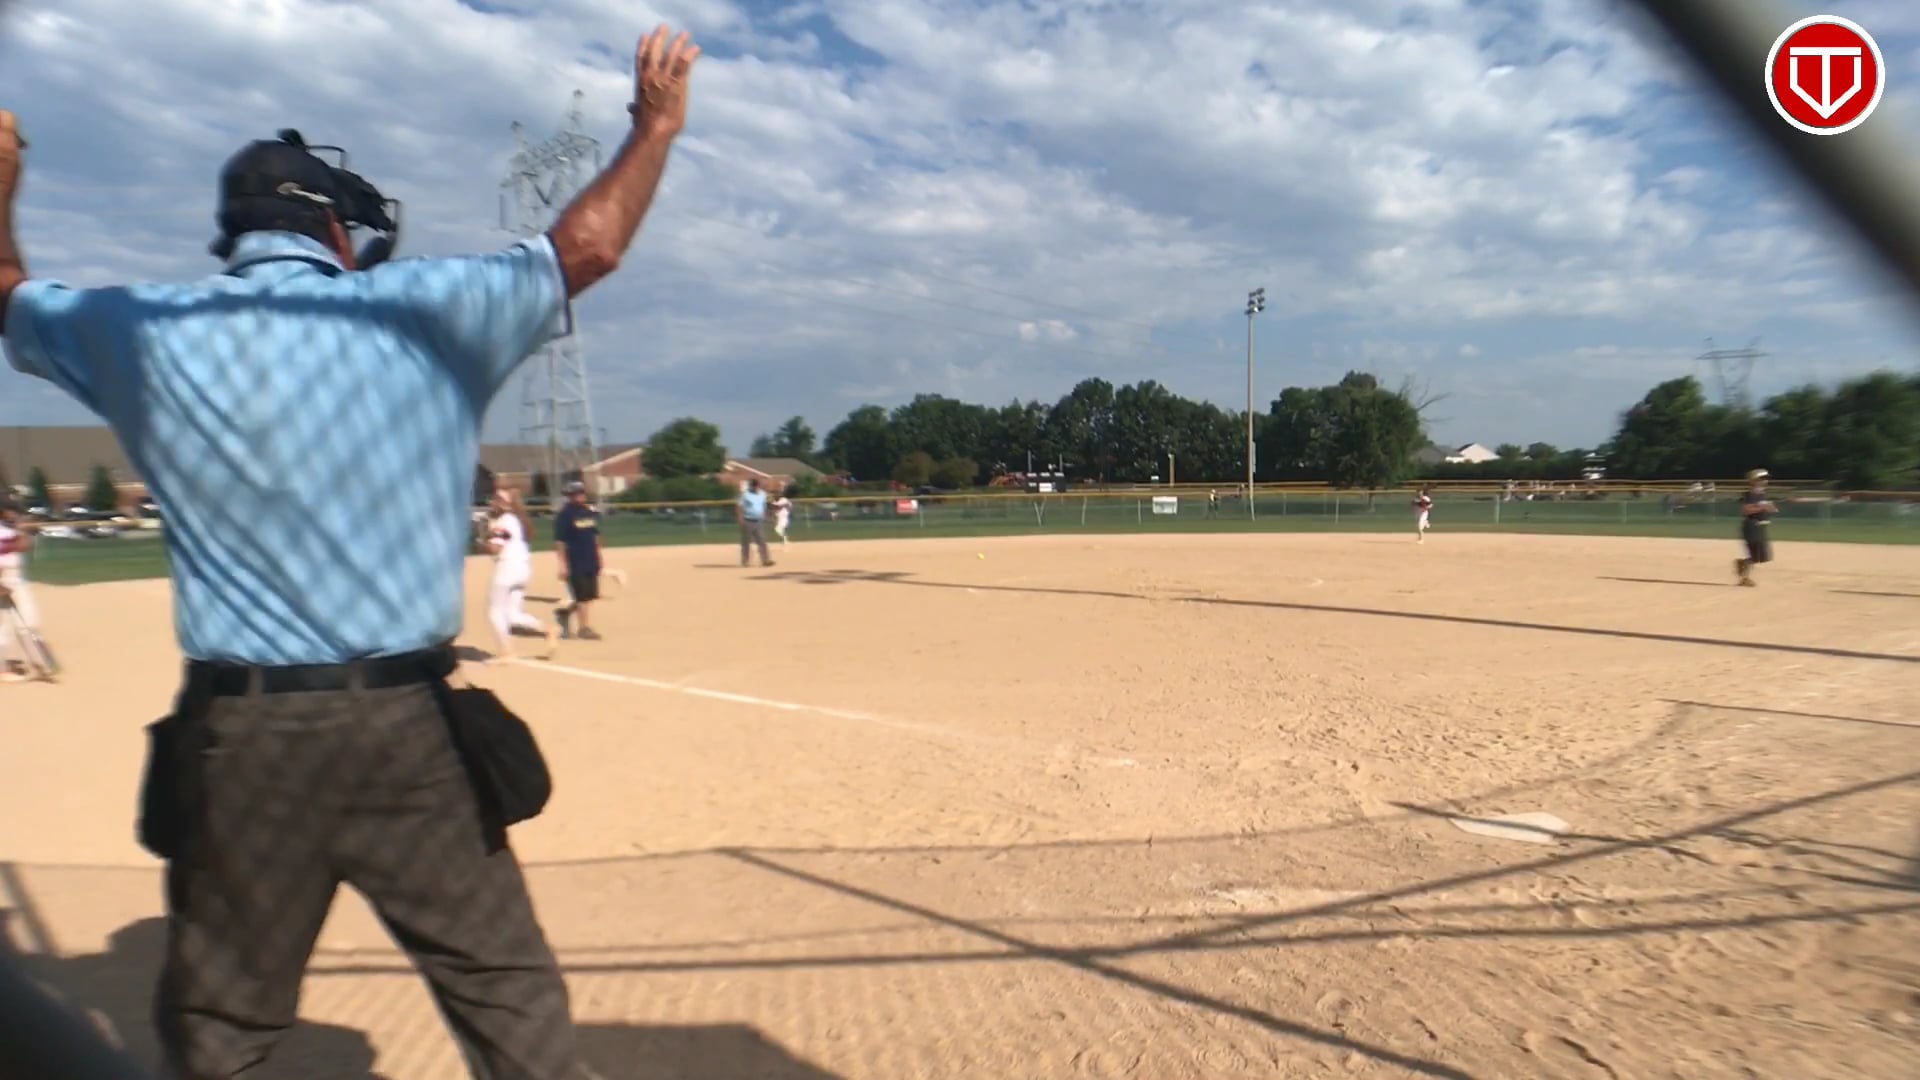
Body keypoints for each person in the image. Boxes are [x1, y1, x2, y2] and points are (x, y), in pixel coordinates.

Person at [0, 23, 701, 1079]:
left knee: (224, 1034)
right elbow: (588, 248)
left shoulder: (141, 329)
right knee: (510, 1006)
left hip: (241, 737)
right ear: (335, 230)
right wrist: (653, 128)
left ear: (233, 237)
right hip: (410, 729)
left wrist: (3, 176)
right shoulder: (426, 310)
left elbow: (4, 287)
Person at [483, 488, 557, 661]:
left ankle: (507, 651)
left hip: (507, 568)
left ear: (505, 504)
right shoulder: (517, 519)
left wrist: (482, 541)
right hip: (523, 568)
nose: (493, 502)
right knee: (512, 614)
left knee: (494, 612)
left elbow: (495, 548)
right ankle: (547, 629)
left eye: (497, 500)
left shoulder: (504, 521)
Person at [552, 481, 603, 640]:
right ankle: (584, 629)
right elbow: (560, 542)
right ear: (570, 496)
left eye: (581, 492)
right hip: (575, 560)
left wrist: (599, 557)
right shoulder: (565, 515)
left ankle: (564, 613)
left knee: (591, 595)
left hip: (590, 559)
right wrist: (562, 565)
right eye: (576, 494)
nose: (580, 495)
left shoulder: (588, 512)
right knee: (582, 597)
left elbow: (595, 536)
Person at [0, 500, 39, 683]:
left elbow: (24, 545)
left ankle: (37, 662)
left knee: (28, 623)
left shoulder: (8, 532)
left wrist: (22, 529)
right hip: (4, 582)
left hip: (15, 583)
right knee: (3, 628)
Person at [1735, 468, 1778, 587]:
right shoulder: (1750, 494)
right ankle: (1745, 578)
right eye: (1762, 478)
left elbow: (1765, 508)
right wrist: (1763, 507)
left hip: (1760, 526)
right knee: (1755, 554)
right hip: (1751, 526)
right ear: (1753, 480)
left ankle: (1743, 564)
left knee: (1762, 555)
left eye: (1766, 478)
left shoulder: (1761, 494)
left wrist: (1771, 509)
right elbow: (1746, 510)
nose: (1765, 481)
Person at [738, 477, 774, 568]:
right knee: (746, 542)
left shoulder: (763, 494)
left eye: (756, 485)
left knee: (762, 541)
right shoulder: (745, 494)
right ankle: (745, 561)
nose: (755, 487)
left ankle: (765, 560)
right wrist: (740, 518)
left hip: (758, 521)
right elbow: (739, 506)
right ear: (751, 486)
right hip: (747, 520)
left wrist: (767, 515)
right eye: (753, 486)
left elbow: (766, 505)